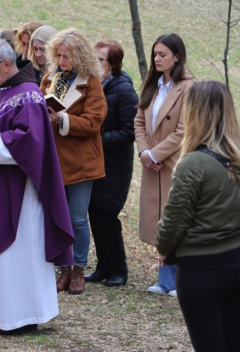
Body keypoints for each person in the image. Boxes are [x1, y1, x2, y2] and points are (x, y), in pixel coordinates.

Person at [0, 39, 74, 335]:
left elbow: (30, 143)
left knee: (15, 255)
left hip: (18, 192)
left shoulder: (29, 96)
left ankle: (21, 316)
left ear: (7, 65)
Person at [155, 80, 240, 352]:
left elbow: (175, 218)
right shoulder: (236, 159)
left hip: (201, 271)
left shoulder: (194, 163)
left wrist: (163, 247)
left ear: (194, 113)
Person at [40, 28, 107, 295]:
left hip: (81, 162)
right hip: (53, 159)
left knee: (78, 219)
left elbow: (93, 122)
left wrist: (60, 119)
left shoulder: (91, 82)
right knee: (57, 217)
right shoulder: (49, 78)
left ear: (80, 56)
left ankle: (78, 269)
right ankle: (64, 267)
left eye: (67, 56)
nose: (62, 60)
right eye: (58, 55)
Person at [134, 33, 194, 297]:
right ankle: (166, 280)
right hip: (152, 164)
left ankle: (181, 280)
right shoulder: (153, 84)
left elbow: (184, 129)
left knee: (177, 218)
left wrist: (155, 154)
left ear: (177, 56)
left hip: (174, 163)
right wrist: (145, 152)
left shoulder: (189, 87)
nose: (157, 59)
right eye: (155, 54)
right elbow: (138, 121)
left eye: (162, 55)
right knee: (158, 220)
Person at [86, 40, 137, 287]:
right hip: (97, 162)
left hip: (115, 164)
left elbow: (129, 132)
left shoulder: (125, 90)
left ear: (113, 64)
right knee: (96, 213)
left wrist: (94, 138)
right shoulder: (96, 86)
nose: (95, 64)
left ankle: (118, 269)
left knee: (107, 214)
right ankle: (103, 267)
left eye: (100, 60)